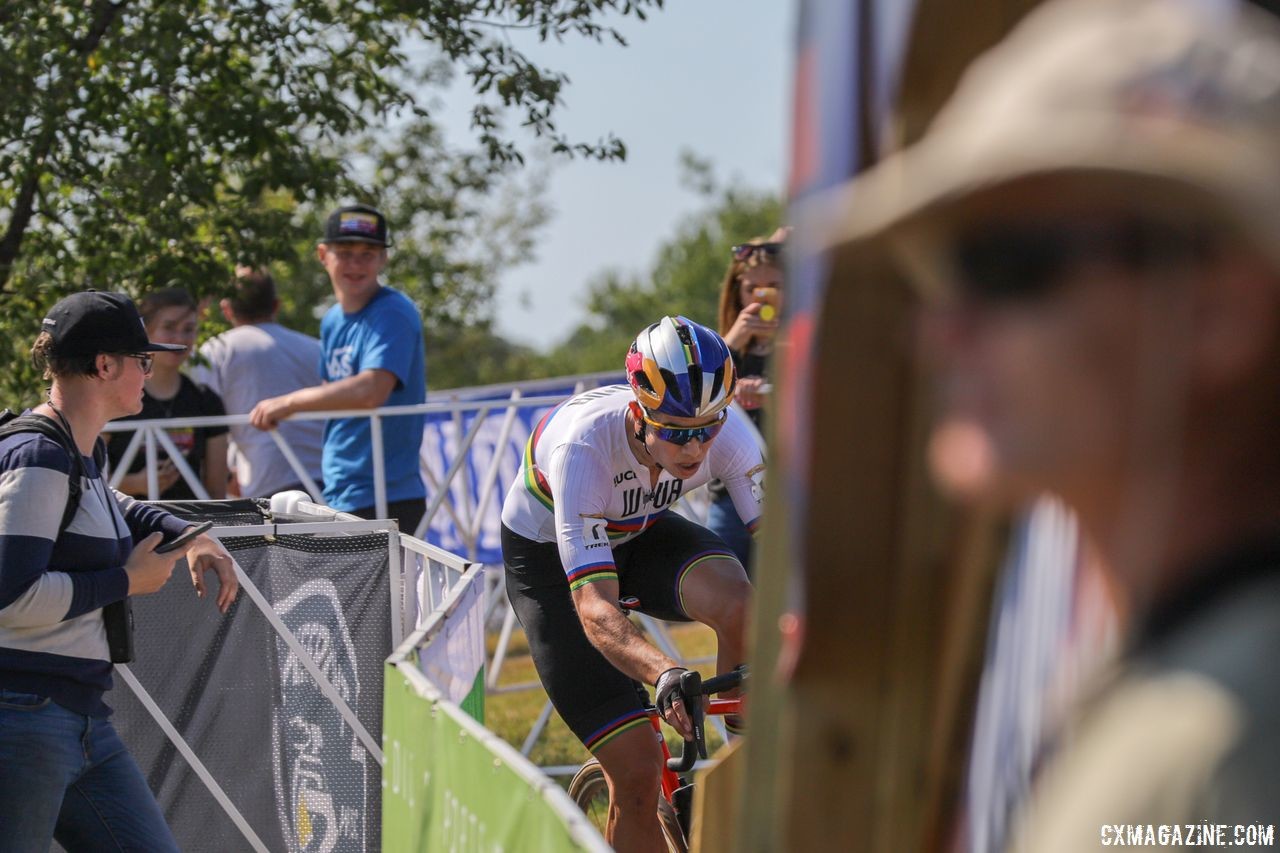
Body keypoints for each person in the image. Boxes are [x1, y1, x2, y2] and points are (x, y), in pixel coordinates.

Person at [823, 0, 1280, 847]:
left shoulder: (1223, 742)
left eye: (1005, 264)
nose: (936, 331)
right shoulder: (1189, 691)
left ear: (1222, 306)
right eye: (940, 272)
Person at [500, 315, 764, 851]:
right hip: (550, 564)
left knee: (742, 602)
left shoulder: (731, 431)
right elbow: (595, 607)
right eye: (674, 432)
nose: (693, 450)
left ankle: (745, 758)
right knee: (639, 771)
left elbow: (790, 552)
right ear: (638, 412)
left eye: (706, 430)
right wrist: (665, 671)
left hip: (638, 530)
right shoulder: (585, 449)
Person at [0, 290, 239, 850]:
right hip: (24, 716)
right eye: (143, 360)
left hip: (77, 718)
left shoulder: (79, 450)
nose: (148, 374)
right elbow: (10, 597)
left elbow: (115, 507)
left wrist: (190, 535)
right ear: (104, 366)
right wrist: (126, 582)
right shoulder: (40, 455)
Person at [250, 204, 427, 533]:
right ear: (323, 254)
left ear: (383, 258)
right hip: (342, 489)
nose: (356, 263)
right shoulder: (332, 319)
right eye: (345, 252)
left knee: (381, 587)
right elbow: (336, 393)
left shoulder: (393, 312)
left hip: (386, 492)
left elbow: (371, 391)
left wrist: (288, 403)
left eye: (368, 253)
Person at [194, 268, 325, 498]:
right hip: (326, 479)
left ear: (226, 310)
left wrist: (224, 475)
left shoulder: (217, 350)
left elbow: (205, 416)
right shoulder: (317, 348)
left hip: (264, 482)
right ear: (276, 305)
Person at [706, 228, 787, 569]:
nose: (760, 298)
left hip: (792, 492)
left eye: (773, 288)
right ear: (736, 290)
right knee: (727, 592)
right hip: (730, 494)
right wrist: (733, 341)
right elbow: (697, 390)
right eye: (750, 288)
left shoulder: (806, 337)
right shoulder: (724, 348)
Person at [105, 288, 229, 500]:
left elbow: (216, 492)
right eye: (169, 327)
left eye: (189, 329)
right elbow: (87, 481)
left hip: (189, 525)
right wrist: (135, 484)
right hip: (127, 526)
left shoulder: (206, 399)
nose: (179, 338)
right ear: (147, 332)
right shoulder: (117, 396)